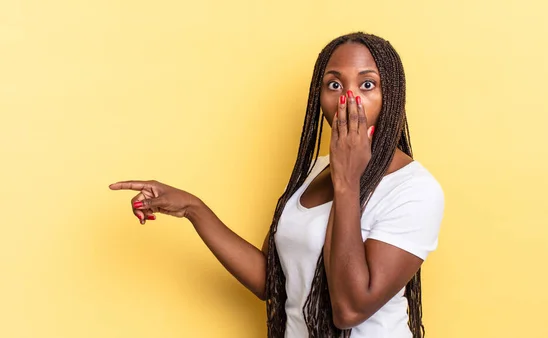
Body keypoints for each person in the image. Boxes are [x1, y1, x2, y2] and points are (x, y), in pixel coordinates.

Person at [109, 32, 444, 338]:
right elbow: (268, 279)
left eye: (367, 85)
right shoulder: (315, 171)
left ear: (393, 96)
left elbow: (349, 311)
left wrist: (347, 181)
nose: (348, 99)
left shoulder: (414, 191)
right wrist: (193, 209)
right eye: (334, 85)